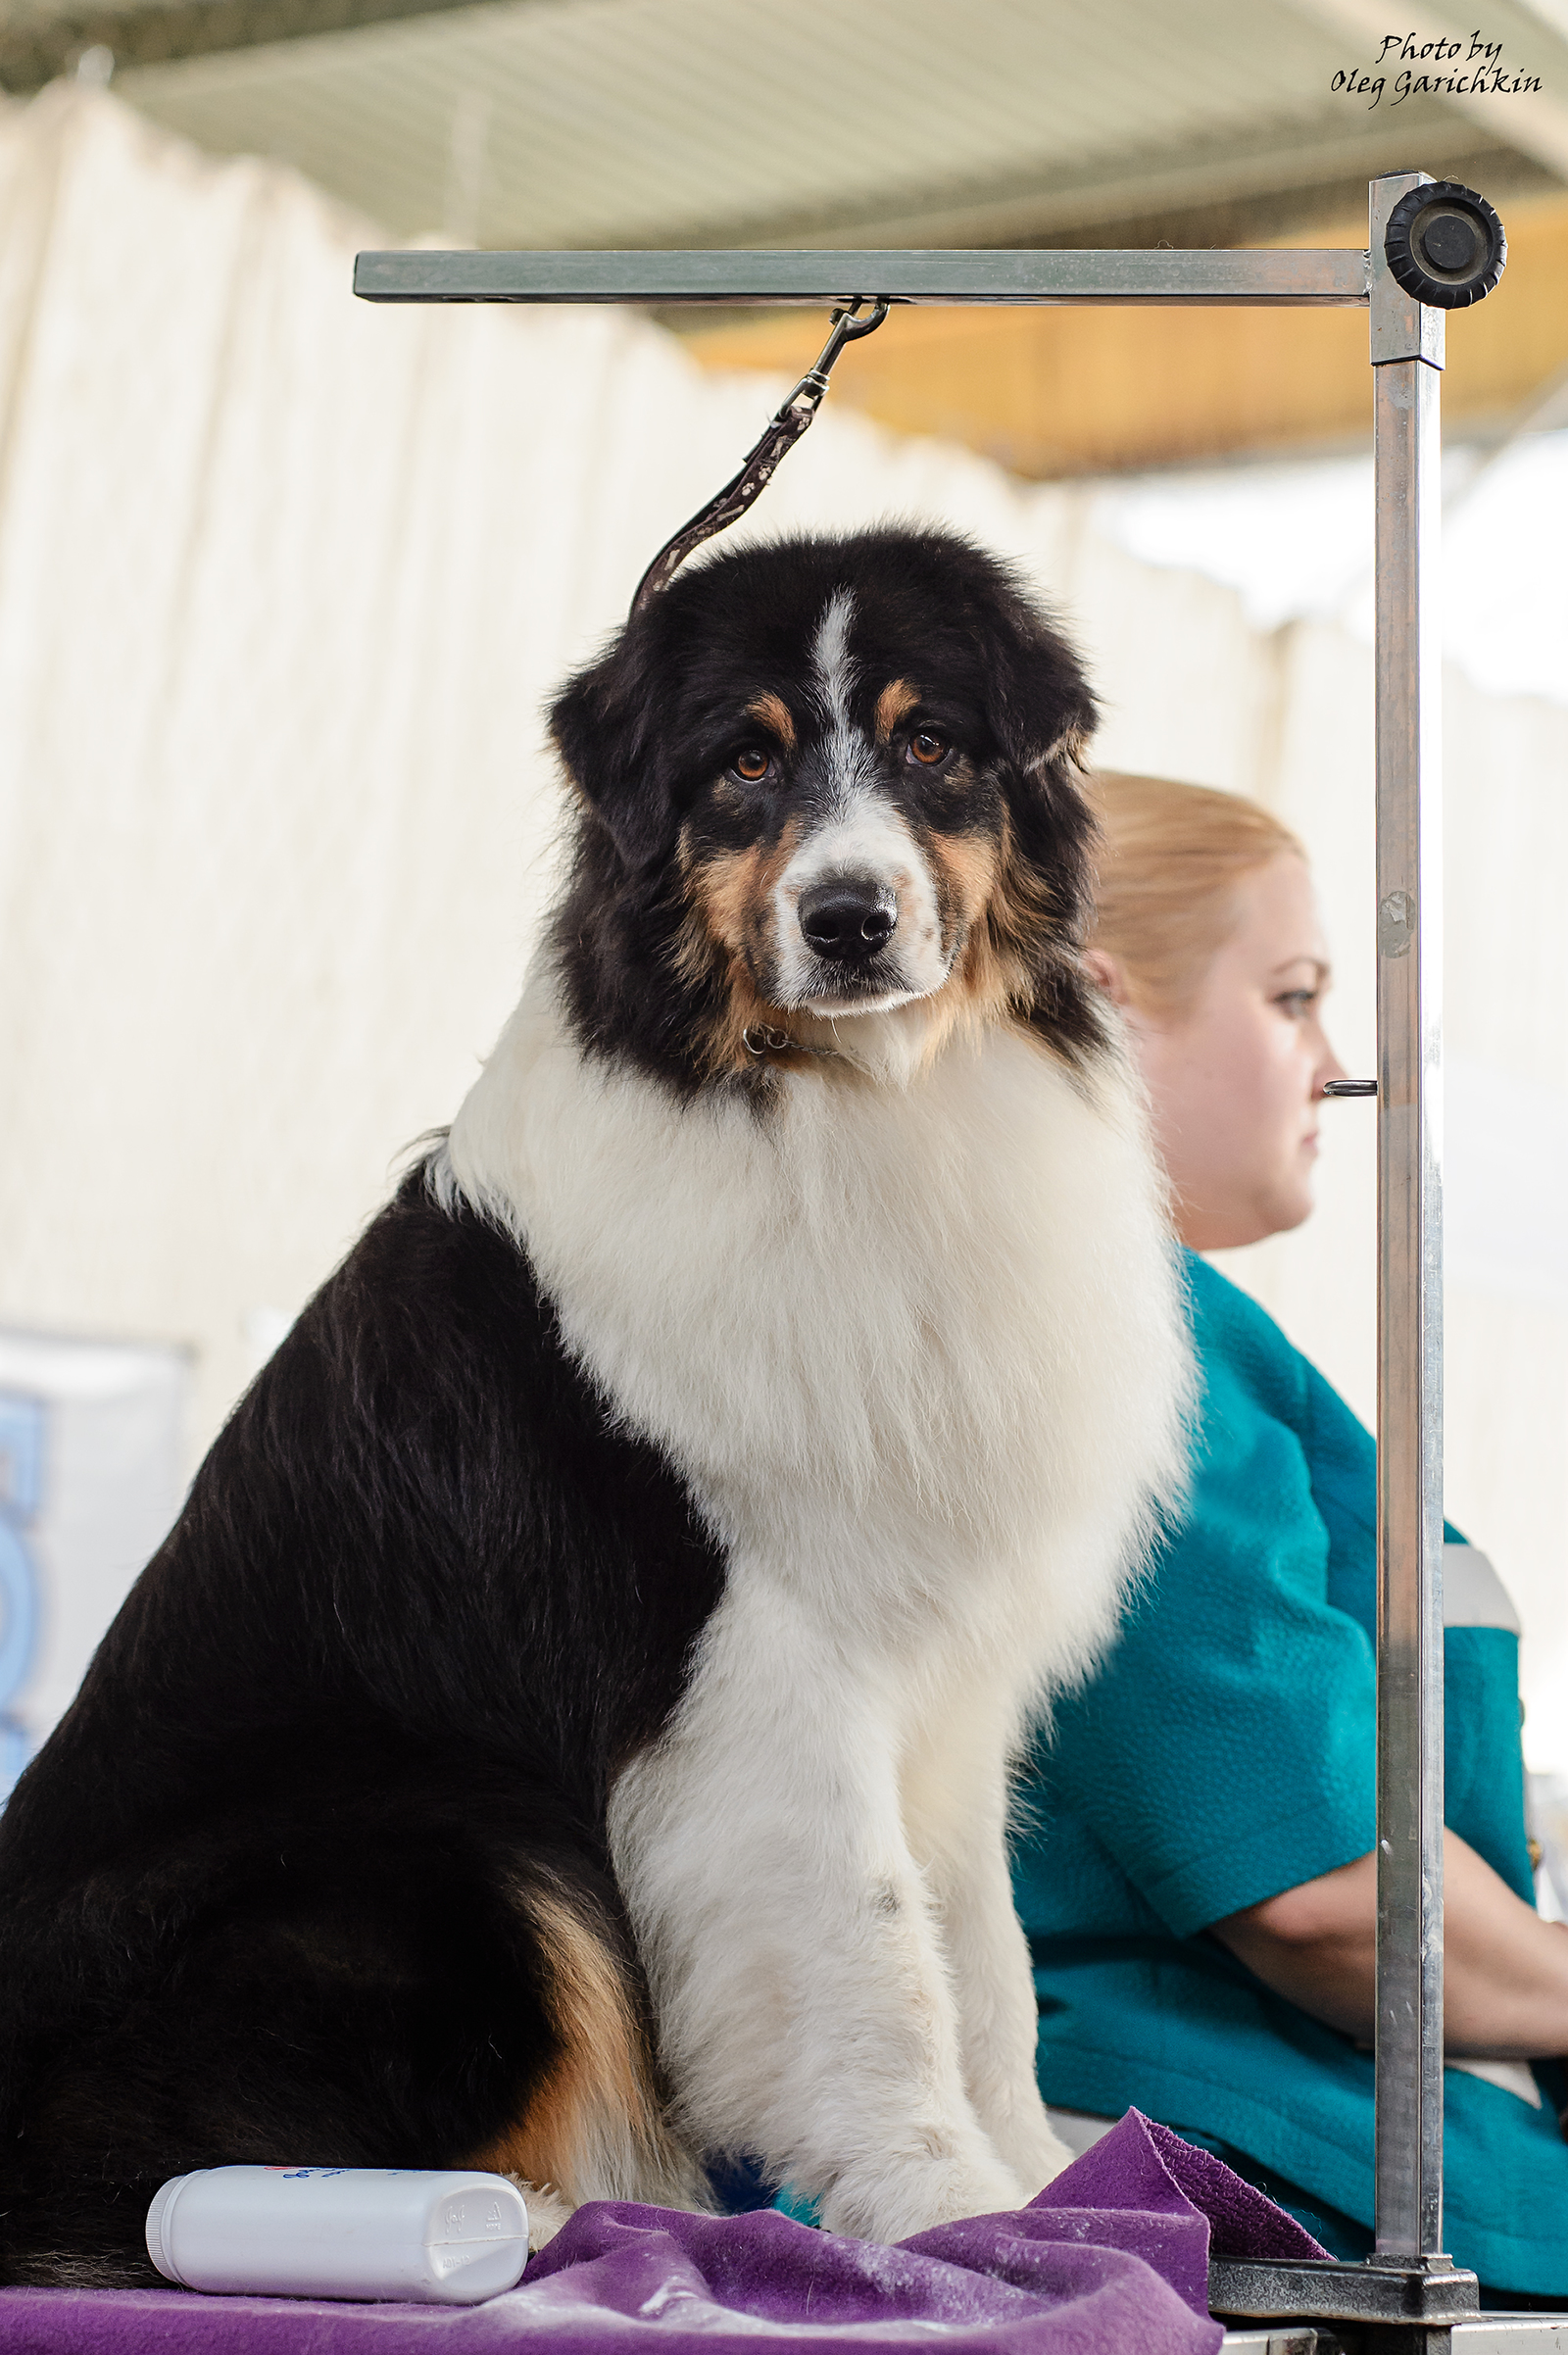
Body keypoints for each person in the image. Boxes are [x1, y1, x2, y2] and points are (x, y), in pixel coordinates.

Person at [1010, 772, 1568, 2303]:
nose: (1334, 1068)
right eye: (1294, 997)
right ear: (1102, 1015)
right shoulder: (1119, 1335)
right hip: (1210, 2138)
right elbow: (1318, 1888)